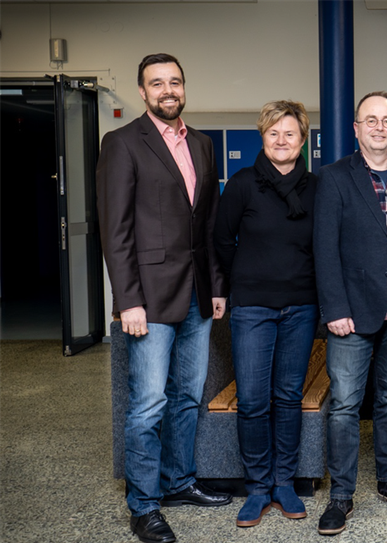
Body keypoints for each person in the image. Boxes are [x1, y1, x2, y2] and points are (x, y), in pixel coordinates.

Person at [96, 53, 231, 543]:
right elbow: (116, 231)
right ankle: (144, 505)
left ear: (184, 86)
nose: (167, 90)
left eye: (175, 81)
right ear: (142, 91)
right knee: (148, 403)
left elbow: (210, 224)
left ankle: (178, 482)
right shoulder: (122, 143)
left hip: (197, 295)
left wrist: (217, 286)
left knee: (187, 397)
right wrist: (127, 299)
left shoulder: (201, 143)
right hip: (148, 300)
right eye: (157, 83)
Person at [313, 91, 387, 536]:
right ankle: (341, 495)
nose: (380, 127)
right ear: (357, 128)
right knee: (344, 405)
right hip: (351, 314)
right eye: (371, 120)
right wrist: (334, 309)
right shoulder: (334, 178)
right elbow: (324, 250)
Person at [213, 100, 318, 528]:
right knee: (254, 401)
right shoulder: (242, 184)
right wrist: (230, 288)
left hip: (301, 306)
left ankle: (284, 483)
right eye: (273, 132)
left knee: (288, 398)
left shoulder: (315, 187)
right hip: (252, 307)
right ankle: (257, 488)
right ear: (262, 137)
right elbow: (221, 240)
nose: (281, 140)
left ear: (302, 140)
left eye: (289, 133)